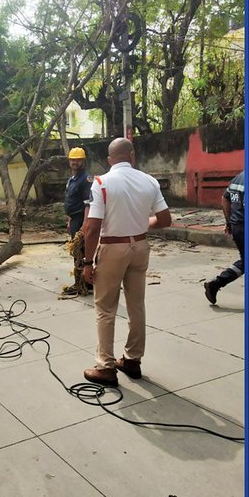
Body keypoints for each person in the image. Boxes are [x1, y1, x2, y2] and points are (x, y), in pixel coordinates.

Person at [80, 137, 172, 387]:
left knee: (105, 308)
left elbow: (92, 227)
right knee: (136, 305)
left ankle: (106, 367)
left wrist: (87, 262)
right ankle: (132, 360)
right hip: (140, 247)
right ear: (132, 156)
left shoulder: (102, 182)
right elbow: (165, 219)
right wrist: (144, 225)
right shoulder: (149, 181)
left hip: (112, 248)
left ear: (110, 160)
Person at [204, 171, 244, 305]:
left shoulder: (239, 178)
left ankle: (216, 284)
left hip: (237, 226)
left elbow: (225, 198)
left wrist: (229, 222)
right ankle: (216, 283)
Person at [62, 147, 94, 296]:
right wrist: (70, 221)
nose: (75, 162)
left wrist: (85, 224)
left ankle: (81, 284)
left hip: (82, 219)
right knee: (77, 251)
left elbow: (88, 203)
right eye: (72, 159)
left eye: (78, 159)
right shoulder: (72, 179)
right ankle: (86, 283)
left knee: (80, 252)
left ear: (83, 160)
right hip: (74, 219)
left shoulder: (86, 179)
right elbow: (72, 201)